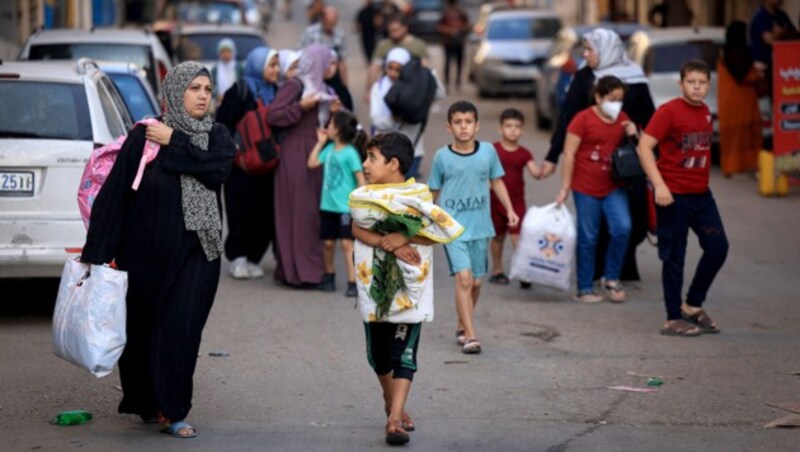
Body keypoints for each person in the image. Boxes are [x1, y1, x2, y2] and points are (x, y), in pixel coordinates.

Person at [81, 61, 235, 437]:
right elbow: (116, 195)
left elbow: (216, 170)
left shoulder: (216, 135)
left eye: (207, 89)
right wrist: (96, 255)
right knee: (144, 328)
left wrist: (176, 141)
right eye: (194, 88)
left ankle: (174, 408)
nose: (202, 96)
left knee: (182, 329)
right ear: (175, 92)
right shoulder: (145, 136)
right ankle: (147, 401)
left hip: (200, 251)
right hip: (145, 252)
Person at [349, 131, 463, 446]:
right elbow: (356, 226)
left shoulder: (418, 199)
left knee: (404, 354)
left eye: (372, 158)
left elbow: (436, 232)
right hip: (376, 285)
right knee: (378, 356)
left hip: (410, 289)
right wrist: (388, 244)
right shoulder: (364, 197)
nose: (365, 164)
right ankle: (391, 402)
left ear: (394, 164)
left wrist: (406, 238)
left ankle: (395, 419)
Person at [542, 28, 655, 283]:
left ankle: (623, 267)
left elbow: (651, 119)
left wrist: (656, 153)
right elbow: (567, 119)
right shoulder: (584, 76)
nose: (586, 54)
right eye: (585, 48)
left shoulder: (635, 76)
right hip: (591, 159)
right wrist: (552, 156)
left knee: (634, 218)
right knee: (595, 222)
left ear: (607, 49)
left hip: (628, 161)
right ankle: (595, 273)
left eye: (591, 49)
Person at [636, 59, 729, 337]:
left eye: (702, 83)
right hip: (672, 196)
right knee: (674, 257)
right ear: (681, 84)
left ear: (709, 85)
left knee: (718, 247)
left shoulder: (706, 112)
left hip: (701, 196)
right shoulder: (668, 112)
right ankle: (673, 317)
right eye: (691, 82)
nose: (697, 87)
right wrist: (659, 185)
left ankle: (692, 304)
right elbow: (644, 147)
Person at [428, 101, 519, 354]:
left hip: (480, 227)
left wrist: (510, 210)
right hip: (452, 229)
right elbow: (432, 191)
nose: (463, 127)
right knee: (464, 278)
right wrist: (422, 222)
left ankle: (461, 323)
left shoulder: (488, 152)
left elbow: (497, 182)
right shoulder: (441, 157)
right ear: (449, 127)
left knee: (476, 283)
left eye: (468, 122)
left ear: (477, 126)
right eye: (458, 122)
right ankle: (470, 335)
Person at [555, 76, 638, 303]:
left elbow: (638, 151)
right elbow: (569, 154)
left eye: (620, 100)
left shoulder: (623, 120)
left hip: (613, 185)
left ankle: (611, 278)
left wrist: (634, 132)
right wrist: (565, 187)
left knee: (623, 227)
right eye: (612, 99)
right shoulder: (582, 119)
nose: (617, 104)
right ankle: (584, 287)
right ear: (599, 97)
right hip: (585, 187)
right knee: (588, 237)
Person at [267, 44, 337, 288]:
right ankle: (297, 273)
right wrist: (301, 107)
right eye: (329, 63)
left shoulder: (324, 89)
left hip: (316, 153)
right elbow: (273, 115)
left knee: (310, 214)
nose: (332, 68)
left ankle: (309, 270)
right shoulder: (295, 85)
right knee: (297, 212)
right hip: (296, 154)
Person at [215, 47, 280, 280]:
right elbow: (222, 123)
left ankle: (253, 257)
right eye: (271, 65)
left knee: (264, 212)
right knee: (241, 210)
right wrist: (234, 151)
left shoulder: (277, 93)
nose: (276, 70)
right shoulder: (240, 90)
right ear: (258, 66)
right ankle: (238, 257)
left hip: (268, 166)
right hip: (241, 168)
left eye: (277, 65)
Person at [307, 111, 367, 297]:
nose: (328, 127)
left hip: (345, 209)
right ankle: (329, 275)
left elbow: (360, 180)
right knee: (328, 243)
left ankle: (352, 281)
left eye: (331, 125)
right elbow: (312, 163)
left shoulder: (350, 153)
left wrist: (360, 203)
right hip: (327, 207)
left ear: (339, 129)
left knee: (347, 244)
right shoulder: (329, 150)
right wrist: (320, 141)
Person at [487, 108, 541, 287]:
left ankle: (525, 273)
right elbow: (483, 170)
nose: (512, 130)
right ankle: (497, 270)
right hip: (495, 201)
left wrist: (548, 167)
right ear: (500, 129)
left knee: (518, 238)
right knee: (497, 237)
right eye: (508, 126)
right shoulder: (492, 150)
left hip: (517, 203)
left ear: (522, 130)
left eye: (517, 126)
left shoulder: (524, 153)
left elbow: (536, 173)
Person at [369, 47, 434, 179]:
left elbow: (438, 93)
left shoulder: (418, 87)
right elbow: (376, 119)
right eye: (390, 68)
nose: (392, 73)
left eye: (398, 69)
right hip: (385, 152)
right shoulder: (379, 87)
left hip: (413, 149)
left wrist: (429, 74)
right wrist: (393, 119)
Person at [717, 21, 766, 177]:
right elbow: (742, 74)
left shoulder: (723, 52)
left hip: (728, 101)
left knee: (732, 136)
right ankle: (747, 164)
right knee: (748, 133)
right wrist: (757, 74)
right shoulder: (739, 52)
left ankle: (731, 166)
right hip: (742, 100)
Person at [366, 15, 430, 101]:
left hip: (412, 88)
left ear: (405, 28)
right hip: (389, 89)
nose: (393, 33)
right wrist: (369, 89)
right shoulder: (384, 45)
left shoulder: (417, 45)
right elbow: (374, 68)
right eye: (390, 31)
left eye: (396, 30)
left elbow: (425, 68)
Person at [750, 0, 797, 95]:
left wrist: (780, 33)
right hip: (765, 68)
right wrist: (780, 33)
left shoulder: (782, 15)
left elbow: (794, 35)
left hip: (783, 67)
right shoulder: (760, 16)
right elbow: (769, 40)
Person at [299, 6, 349, 85]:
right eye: (329, 22)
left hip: (333, 77)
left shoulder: (340, 35)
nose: (330, 26)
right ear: (322, 20)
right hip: (313, 75)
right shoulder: (310, 33)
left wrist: (344, 83)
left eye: (333, 23)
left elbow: (341, 61)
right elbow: (301, 54)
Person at [437, 0, 470, 88]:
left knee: (459, 63)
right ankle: (447, 82)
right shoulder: (445, 14)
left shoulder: (461, 14)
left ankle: (457, 82)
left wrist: (460, 30)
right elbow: (439, 27)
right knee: (448, 63)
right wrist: (449, 31)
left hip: (459, 42)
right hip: (449, 42)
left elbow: (468, 26)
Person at [211, 38, 242, 106]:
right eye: (223, 52)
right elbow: (211, 86)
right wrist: (217, 95)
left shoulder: (239, 68)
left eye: (228, 52)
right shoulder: (215, 69)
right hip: (220, 103)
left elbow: (243, 84)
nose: (225, 54)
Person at [356, 0, 379, 65]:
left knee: (372, 48)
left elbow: (378, 22)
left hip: (372, 33)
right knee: (366, 48)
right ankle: (369, 61)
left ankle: (372, 61)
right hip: (364, 33)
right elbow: (358, 22)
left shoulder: (375, 11)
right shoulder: (362, 11)